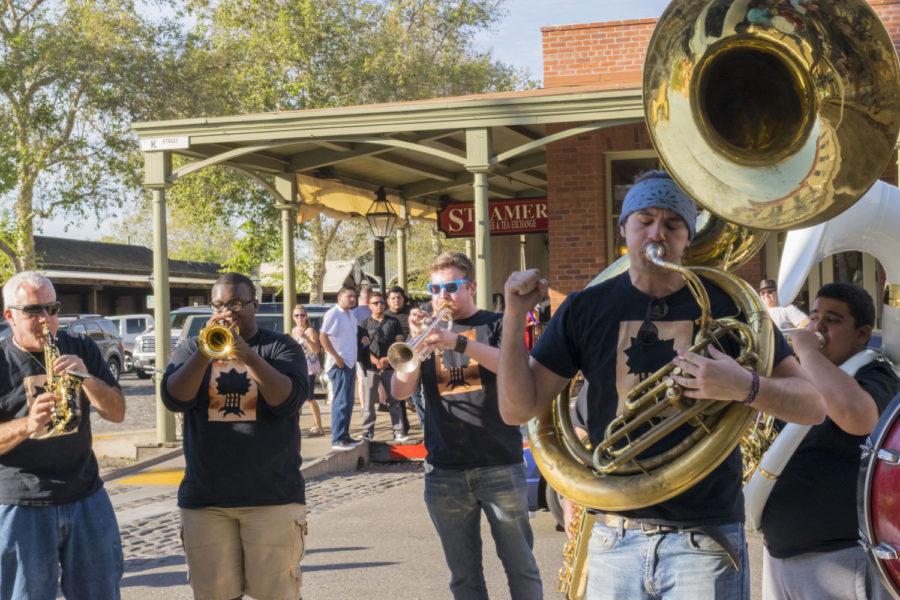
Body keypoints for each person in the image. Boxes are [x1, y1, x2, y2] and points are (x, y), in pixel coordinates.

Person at [498, 170, 826, 600]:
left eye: (673, 224)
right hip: (615, 533)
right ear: (624, 230)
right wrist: (513, 315)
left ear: (687, 238)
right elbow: (516, 410)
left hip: (704, 537)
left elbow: (813, 406)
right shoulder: (585, 307)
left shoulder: (730, 303)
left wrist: (744, 385)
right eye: (645, 219)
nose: (658, 231)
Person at [392, 252, 543, 600]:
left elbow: (516, 368)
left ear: (471, 287)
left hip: (499, 461)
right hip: (445, 469)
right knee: (464, 577)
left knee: (520, 566)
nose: (442, 295)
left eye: (451, 286)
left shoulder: (495, 323)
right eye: (435, 288)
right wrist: (415, 347)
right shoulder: (427, 334)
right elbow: (399, 391)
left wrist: (458, 342)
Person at [162, 273, 309, 600]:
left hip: (273, 498)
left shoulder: (280, 347)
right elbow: (174, 398)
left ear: (255, 305)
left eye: (235, 304)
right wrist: (203, 352)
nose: (226, 312)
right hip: (207, 501)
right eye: (217, 305)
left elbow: (288, 401)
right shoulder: (191, 348)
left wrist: (248, 356)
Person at [761, 283, 899, 600]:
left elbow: (856, 415)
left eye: (832, 320)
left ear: (862, 333)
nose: (817, 326)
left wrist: (807, 350)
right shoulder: (801, 376)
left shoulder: (876, 373)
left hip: (842, 561)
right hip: (780, 556)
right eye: (813, 316)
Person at [0, 271, 126, 599]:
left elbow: (117, 413)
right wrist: (28, 425)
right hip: (21, 504)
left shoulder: (80, 347)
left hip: (85, 494)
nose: (47, 320)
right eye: (34, 311)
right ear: (9, 315)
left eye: (53, 309)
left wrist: (86, 378)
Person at [359, 291, 408, 441]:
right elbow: (362, 348)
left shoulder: (393, 322)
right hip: (371, 367)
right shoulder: (364, 324)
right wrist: (375, 360)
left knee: (395, 400)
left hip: (390, 366)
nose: (379, 305)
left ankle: (398, 431)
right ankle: (367, 431)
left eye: (381, 302)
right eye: (375, 303)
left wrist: (388, 358)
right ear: (369, 306)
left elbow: (399, 343)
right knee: (369, 401)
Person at [320, 286, 361, 451]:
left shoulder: (351, 314)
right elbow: (323, 336)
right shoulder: (333, 313)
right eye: (349, 296)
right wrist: (336, 357)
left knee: (349, 402)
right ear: (339, 297)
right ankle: (337, 439)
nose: (352, 299)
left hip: (350, 363)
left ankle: (345, 436)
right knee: (341, 401)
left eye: (354, 297)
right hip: (339, 364)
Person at [292, 305, 325, 436]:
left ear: (306, 316)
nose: (300, 318)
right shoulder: (294, 330)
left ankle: (319, 426)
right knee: (298, 397)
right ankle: (296, 425)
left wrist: (306, 339)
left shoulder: (310, 330)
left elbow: (316, 349)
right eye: (296, 315)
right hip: (298, 367)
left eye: (302, 315)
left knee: (310, 397)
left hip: (310, 367)